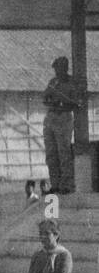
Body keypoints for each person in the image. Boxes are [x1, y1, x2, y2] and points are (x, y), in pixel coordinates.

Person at [42, 56, 82, 195]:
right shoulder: (53, 82)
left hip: (64, 117)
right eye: (55, 68)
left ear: (65, 68)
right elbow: (45, 98)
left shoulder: (72, 83)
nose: (57, 71)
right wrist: (53, 101)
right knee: (51, 153)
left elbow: (77, 102)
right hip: (51, 117)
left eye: (59, 68)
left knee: (64, 152)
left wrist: (62, 103)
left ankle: (66, 185)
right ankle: (55, 184)